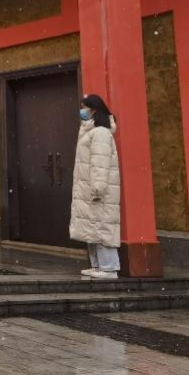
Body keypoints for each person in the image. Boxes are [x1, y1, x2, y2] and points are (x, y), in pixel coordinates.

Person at [69, 94, 121, 279]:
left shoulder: (100, 133)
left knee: (101, 227)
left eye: (85, 107)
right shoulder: (90, 130)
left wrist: (98, 188)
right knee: (92, 228)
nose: (82, 111)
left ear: (94, 110)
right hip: (89, 189)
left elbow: (100, 163)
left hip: (97, 191)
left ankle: (109, 268)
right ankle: (98, 265)